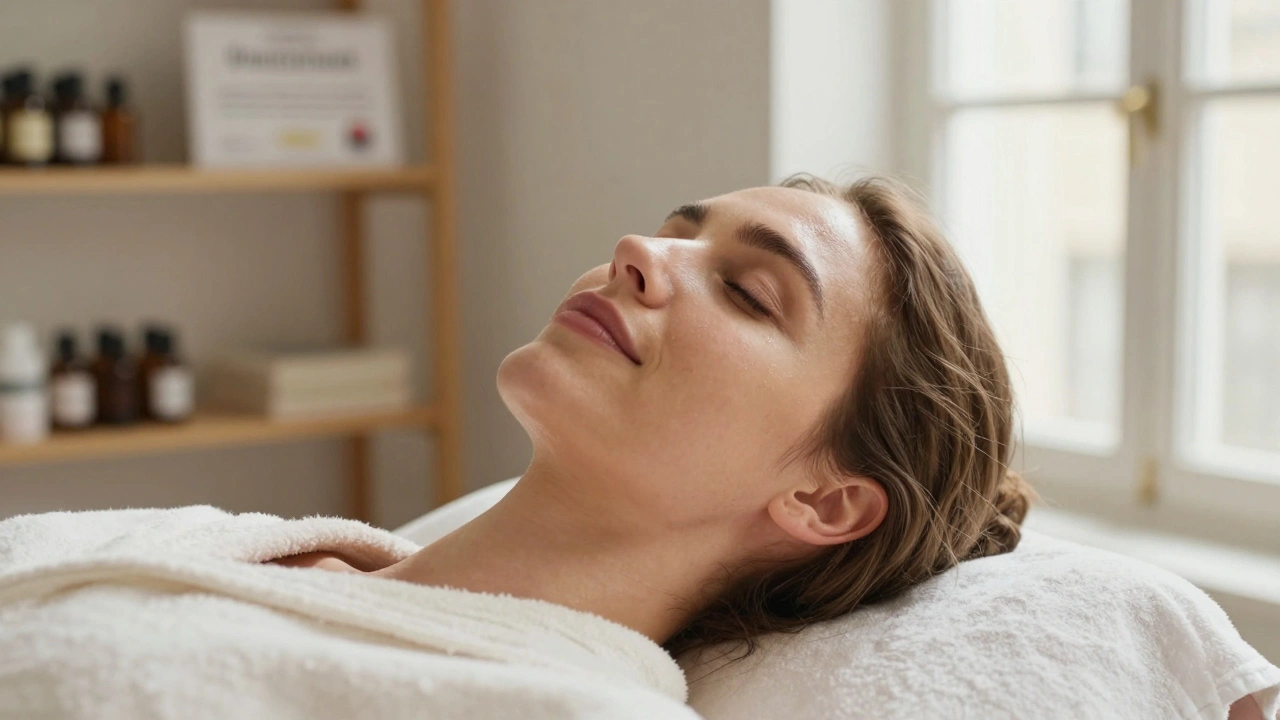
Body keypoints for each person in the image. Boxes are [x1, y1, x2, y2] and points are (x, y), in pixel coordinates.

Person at [277, 173, 1034, 660]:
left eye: (748, 293)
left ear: (824, 500)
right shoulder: (277, 562)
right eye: (675, 235)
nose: (636, 249)